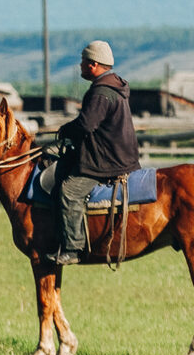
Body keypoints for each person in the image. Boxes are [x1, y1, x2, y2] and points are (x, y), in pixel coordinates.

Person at [50, 40, 139, 265]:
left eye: (83, 62)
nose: (80, 66)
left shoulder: (101, 92)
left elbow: (86, 125)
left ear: (93, 65)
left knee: (69, 191)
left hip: (107, 161)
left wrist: (65, 130)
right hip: (120, 155)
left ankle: (72, 248)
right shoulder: (113, 87)